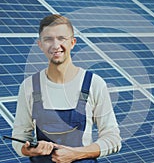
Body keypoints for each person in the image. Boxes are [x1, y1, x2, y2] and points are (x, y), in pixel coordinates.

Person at [12, 14, 122, 163]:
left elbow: (113, 138)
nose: (55, 45)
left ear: (72, 42)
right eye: (48, 39)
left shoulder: (94, 84)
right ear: (40, 44)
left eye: (61, 38)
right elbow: (20, 138)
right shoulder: (29, 86)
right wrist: (30, 149)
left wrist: (76, 154)